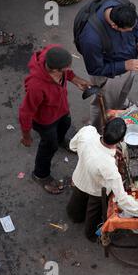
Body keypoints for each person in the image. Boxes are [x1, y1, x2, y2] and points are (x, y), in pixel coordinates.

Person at [66, 118, 138, 242]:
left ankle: (74, 216)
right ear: (121, 140)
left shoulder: (87, 132)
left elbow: (72, 146)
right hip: (97, 191)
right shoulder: (109, 168)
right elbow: (122, 200)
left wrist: (90, 157)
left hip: (79, 178)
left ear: (104, 128)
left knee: (78, 200)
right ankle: (91, 235)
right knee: (93, 213)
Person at [19, 45, 90, 194]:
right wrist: (26, 135)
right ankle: (40, 175)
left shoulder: (54, 53)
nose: (68, 70)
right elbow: (26, 112)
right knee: (49, 146)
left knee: (66, 124)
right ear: (55, 70)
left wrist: (76, 80)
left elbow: (68, 74)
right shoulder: (36, 86)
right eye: (65, 69)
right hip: (45, 122)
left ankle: (61, 140)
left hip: (62, 110)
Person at [77, 0, 138, 131]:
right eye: (127, 30)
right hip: (109, 75)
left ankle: (120, 107)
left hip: (130, 63)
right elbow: (94, 69)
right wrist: (125, 65)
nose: (131, 30)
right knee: (103, 104)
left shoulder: (124, 7)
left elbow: (136, 23)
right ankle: (97, 129)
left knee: (122, 93)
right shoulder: (91, 39)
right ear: (114, 26)